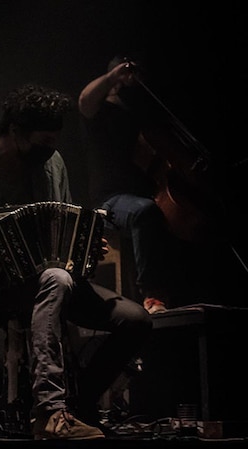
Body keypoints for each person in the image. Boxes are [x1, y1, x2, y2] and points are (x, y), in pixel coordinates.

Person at [0, 84, 152, 440]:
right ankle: (50, 412)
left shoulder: (53, 163)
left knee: (136, 321)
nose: (49, 152)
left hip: (57, 282)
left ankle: (79, 402)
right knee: (56, 279)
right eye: (42, 144)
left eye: (54, 143)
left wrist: (83, 248)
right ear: (15, 131)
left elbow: (64, 228)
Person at [78, 55, 193, 314]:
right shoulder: (97, 113)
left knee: (170, 217)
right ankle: (153, 296)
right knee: (145, 212)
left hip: (143, 192)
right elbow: (84, 99)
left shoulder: (135, 114)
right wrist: (113, 76)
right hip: (110, 200)